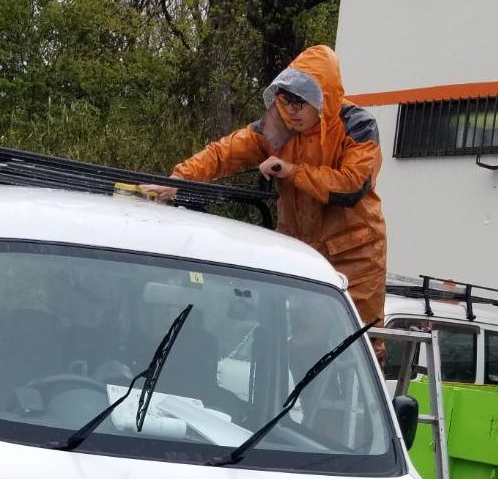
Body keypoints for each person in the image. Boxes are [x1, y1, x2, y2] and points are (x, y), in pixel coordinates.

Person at [141, 45, 388, 345]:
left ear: (324, 99)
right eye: (286, 99)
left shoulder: (357, 125)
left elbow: (352, 186)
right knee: (295, 345)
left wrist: (292, 171)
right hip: (300, 254)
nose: (292, 110)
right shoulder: (278, 127)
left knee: (359, 346)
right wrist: (180, 179)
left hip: (356, 259)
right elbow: (224, 152)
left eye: (301, 101)